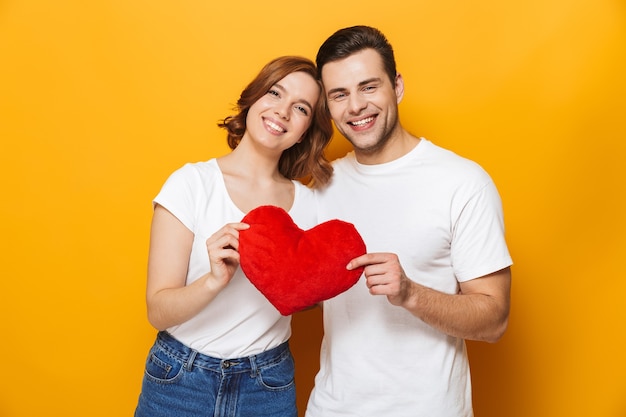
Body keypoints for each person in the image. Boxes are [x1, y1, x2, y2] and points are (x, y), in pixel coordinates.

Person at [305, 26, 513, 417]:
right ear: (327, 106)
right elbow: (296, 289)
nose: (355, 107)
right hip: (332, 409)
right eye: (339, 94)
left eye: (369, 87)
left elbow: (494, 318)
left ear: (396, 87)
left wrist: (410, 293)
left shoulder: (463, 182)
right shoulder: (320, 186)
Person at [134, 55, 333, 417]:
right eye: (275, 93)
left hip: (267, 385)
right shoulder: (191, 184)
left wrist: (301, 284)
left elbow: (313, 294)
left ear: (307, 129)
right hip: (179, 380)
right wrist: (214, 280)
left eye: (301, 107)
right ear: (254, 97)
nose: (282, 111)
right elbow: (158, 311)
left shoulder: (312, 206)